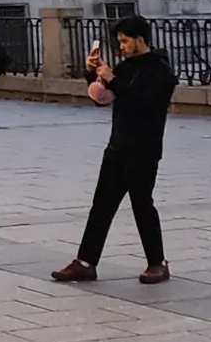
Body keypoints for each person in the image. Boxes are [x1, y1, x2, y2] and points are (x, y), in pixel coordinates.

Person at [52, 15, 177, 285]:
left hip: (144, 149)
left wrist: (113, 79)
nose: (120, 46)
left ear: (140, 40)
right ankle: (85, 263)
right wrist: (92, 73)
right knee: (102, 206)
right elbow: (104, 97)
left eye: (124, 41)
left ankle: (158, 263)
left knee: (142, 204)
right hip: (117, 146)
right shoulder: (126, 67)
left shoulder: (160, 70)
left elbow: (145, 103)